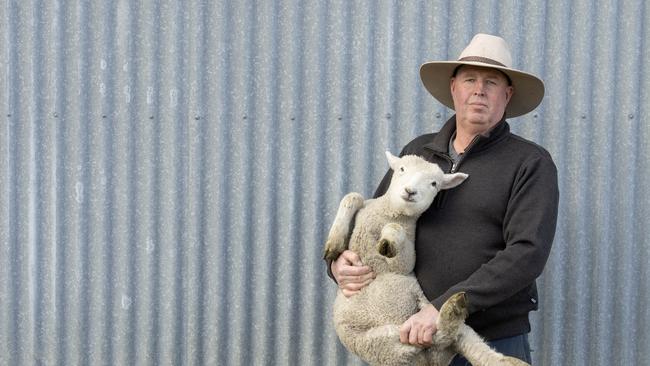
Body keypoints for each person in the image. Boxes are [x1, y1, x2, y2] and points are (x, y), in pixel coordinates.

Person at [327, 33, 559, 364]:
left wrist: (443, 307)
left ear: (507, 95)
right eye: (470, 79)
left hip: (489, 341)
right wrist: (339, 264)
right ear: (454, 88)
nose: (479, 89)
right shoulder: (417, 151)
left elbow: (526, 253)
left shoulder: (530, 163)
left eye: (491, 82)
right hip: (410, 338)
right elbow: (376, 218)